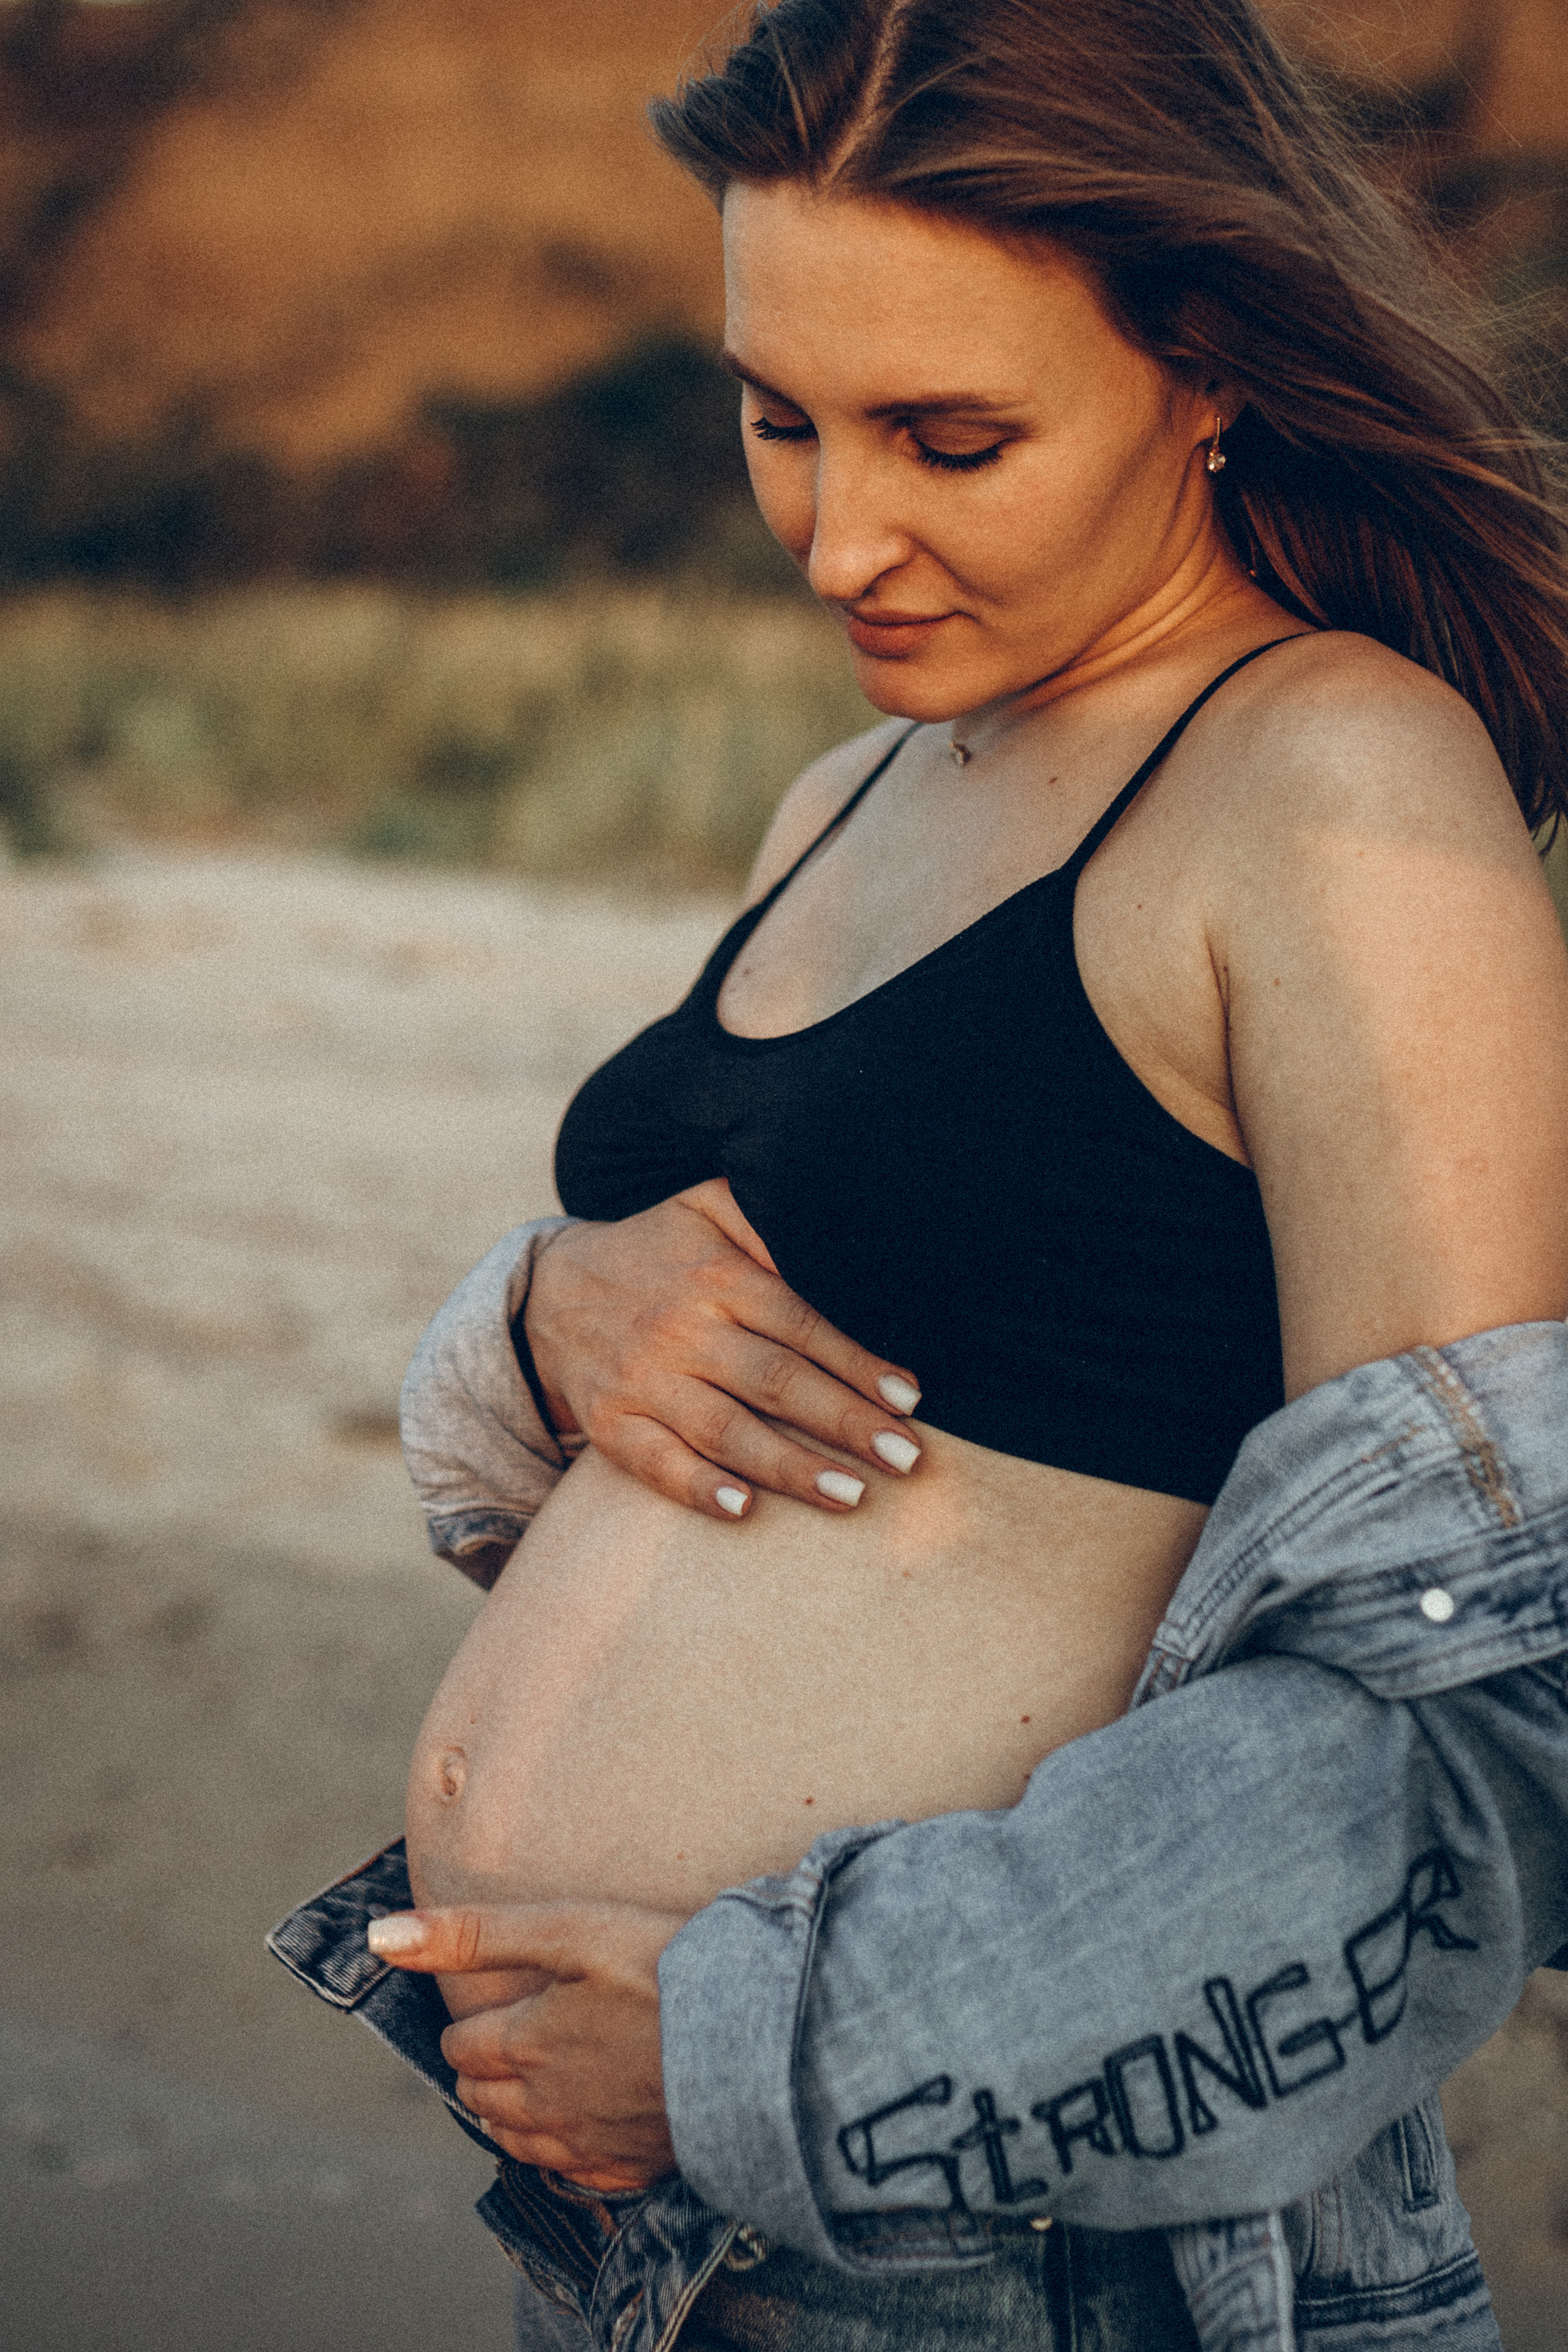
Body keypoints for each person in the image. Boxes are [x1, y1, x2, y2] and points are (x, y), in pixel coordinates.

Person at [268, 4, 1568, 2347]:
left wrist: (758, 2051)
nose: (837, 538)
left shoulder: (1343, 793)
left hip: (1043, 2256)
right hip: (683, 2249)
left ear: (1209, 371)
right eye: (781, 419)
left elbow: (1473, 1722)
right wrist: (555, 1307)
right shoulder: (856, 797)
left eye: (950, 439)